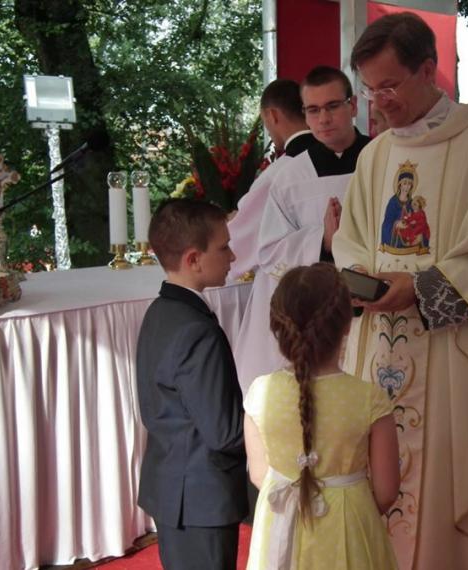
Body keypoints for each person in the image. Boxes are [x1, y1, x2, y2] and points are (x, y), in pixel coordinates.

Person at [332, 12, 468, 570]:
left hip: (454, 354)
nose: (379, 103)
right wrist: (362, 278)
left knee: (448, 485)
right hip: (381, 346)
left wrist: (421, 288)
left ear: (429, 70)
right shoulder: (375, 155)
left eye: (390, 86)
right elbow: (351, 240)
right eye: (370, 90)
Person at [243, 263, 400, 570]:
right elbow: (386, 491)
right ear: (346, 325)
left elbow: (259, 475)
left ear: (277, 327)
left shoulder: (259, 392)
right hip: (348, 528)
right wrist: (349, 507)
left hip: (281, 525)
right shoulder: (369, 398)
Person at [234, 65, 371, 393]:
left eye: (333, 106)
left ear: (352, 105)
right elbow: (270, 252)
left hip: (375, 307)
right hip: (321, 317)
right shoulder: (290, 176)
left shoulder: (380, 159)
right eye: (313, 110)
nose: (323, 119)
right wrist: (322, 240)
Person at [136, 199, 248, 570]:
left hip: (173, 485)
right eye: (224, 247)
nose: (233, 256)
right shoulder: (197, 330)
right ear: (194, 259)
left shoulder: (159, 312)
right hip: (201, 497)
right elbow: (224, 433)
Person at [227, 79, 317, 282]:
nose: (267, 130)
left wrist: (229, 222)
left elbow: (239, 242)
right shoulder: (346, 162)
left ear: (272, 115)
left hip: (291, 283)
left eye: (264, 121)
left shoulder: (279, 174)